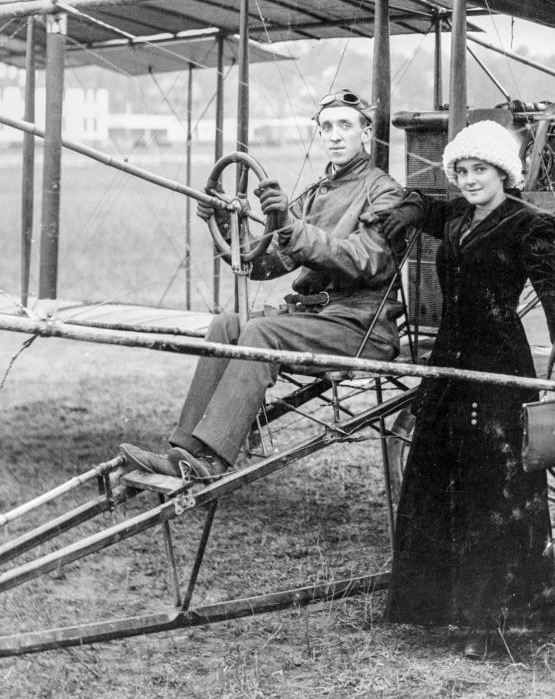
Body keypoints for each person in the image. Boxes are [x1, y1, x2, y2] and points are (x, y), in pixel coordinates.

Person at [366, 119, 555, 660]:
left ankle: (496, 626)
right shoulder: (457, 216)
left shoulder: (528, 225)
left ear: (504, 172)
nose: (470, 180)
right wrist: (408, 207)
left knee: (492, 496)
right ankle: (444, 610)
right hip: (449, 365)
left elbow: (551, 290)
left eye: (481, 170)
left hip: (497, 368)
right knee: (435, 478)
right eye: (462, 170)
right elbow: (424, 204)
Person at [122, 90, 404, 479]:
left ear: (366, 133)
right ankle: (183, 451)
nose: (335, 136)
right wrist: (223, 224)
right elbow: (266, 264)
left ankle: (212, 462)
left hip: (360, 325)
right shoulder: (315, 192)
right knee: (226, 325)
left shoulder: (383, 191)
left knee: (260, 333)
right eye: (326, 127)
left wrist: (289, 226)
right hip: (317, 319)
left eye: (345, 126)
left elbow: (364, 260)